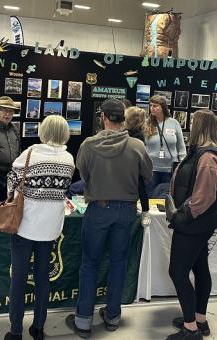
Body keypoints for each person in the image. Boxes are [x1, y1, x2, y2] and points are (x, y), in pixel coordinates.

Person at [66, 99, 152, 338]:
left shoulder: (89, 145)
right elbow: (147, 174)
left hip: (98, 209)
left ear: (103, 117)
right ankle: (113, 314)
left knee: (90, 263)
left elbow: (83, 174)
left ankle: (83, 320)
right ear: (122, 119)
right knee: (119, 262)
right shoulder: (136, 146)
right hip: (126, 211)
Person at [4, 116, 75, 340]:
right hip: (51, 227)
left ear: (43, 131)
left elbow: (11, 182)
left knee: (19, 279)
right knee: (43, 279)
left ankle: (16, 331)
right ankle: (38, 327)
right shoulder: (68, 159)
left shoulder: (30, 154)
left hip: (24, 225)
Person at [166, 110, 217, 340]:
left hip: (194, 223)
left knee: (178, 272)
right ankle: (199, 319)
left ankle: (191, 329)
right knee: (200, 269)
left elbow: (204, 197)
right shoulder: (204, 153)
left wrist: (183, 217)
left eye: (193, 123)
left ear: (199, 127)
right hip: (199, 223)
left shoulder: (208, 157)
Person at [144, 95, 186, 197]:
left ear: (163, 107)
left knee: (167, 199)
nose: (152, 108)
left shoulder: (174, 123)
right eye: (151, 106)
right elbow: (142, 146)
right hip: (151, 170)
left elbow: (181, 147)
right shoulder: (147, 123)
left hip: (170, 169)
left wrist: (182, 165)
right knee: (150, 197)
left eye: (155, 106)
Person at [124, 106, 151, 226]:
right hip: (128, 164)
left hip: (135, 166)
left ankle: (146, 211)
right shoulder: (127, 132)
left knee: (141, 186)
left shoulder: (138, 135)